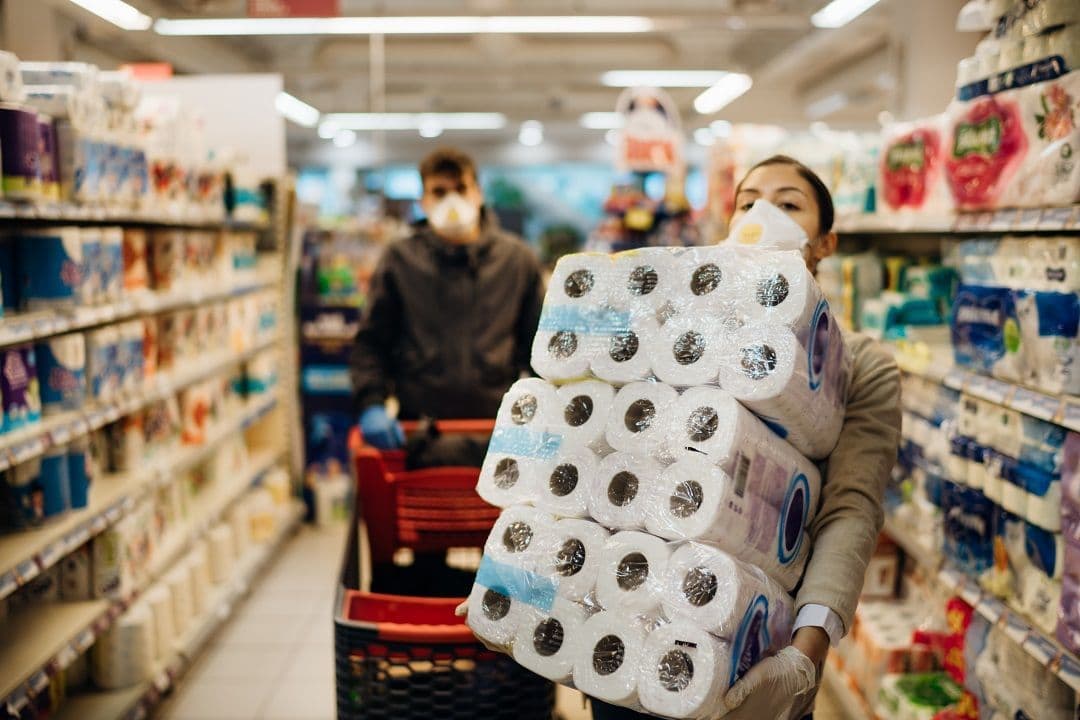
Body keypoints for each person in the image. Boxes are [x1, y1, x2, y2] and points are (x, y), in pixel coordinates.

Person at [590, 156, 902, 720]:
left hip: (758, 655)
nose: (762, 216)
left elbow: (850, 509)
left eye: (788, 204)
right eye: (749, 202)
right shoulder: (681, 338)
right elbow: (614, 456)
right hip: (637, 624)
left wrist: (805, 656)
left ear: (825, 243)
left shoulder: (858, 367)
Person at [350, 147, 545, 448]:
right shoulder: (400, 261)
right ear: (423, 201)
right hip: (420, 435)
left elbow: (541, 348)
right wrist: (371, 403)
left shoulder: (517, 261)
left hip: (499, 434)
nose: (451, 201)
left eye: (461, 189)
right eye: (439, 192)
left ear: (478, 194)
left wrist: (544, 407)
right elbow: (371, 343)